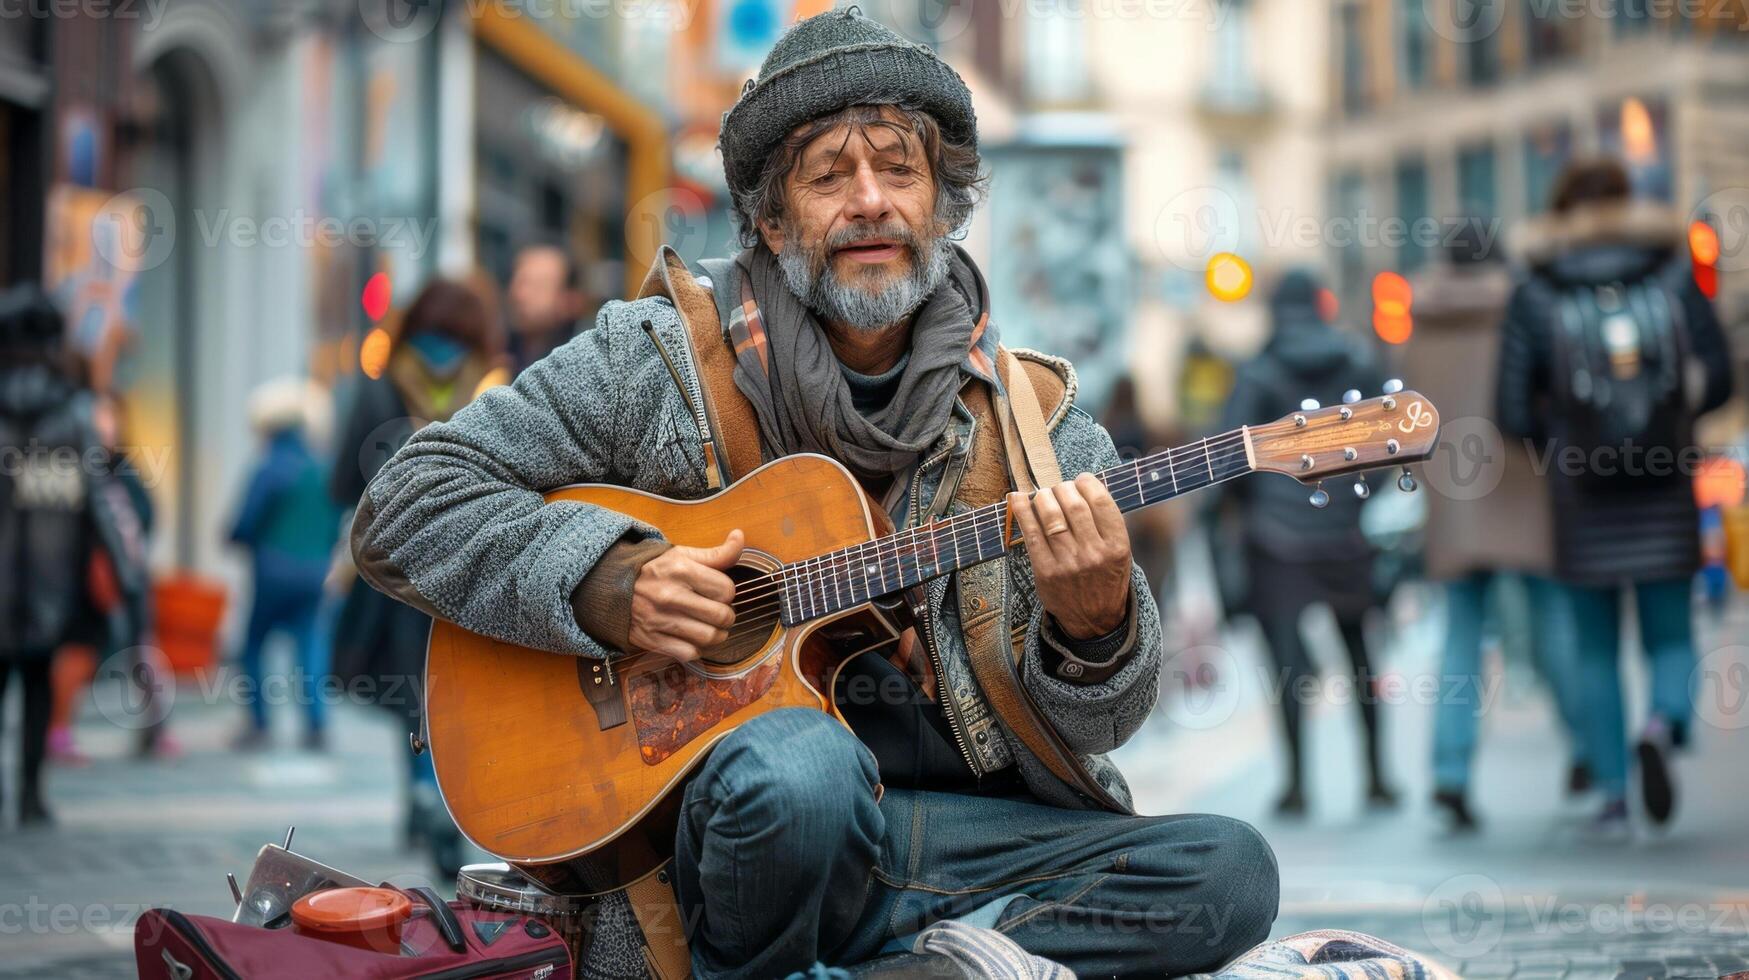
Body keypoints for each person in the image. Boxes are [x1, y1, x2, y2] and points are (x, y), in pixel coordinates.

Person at [349, 11, 1278, 978]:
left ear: (943, 206)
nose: (869, 202)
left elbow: (1100, 727)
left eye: (898, 170)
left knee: (1227, 871)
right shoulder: (658, 362)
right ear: (771, 217)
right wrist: (612, 584)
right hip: (736, 842)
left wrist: (1096, 632)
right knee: (803, 769)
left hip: (958, 841)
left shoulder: (1036, 422)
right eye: (828, 176)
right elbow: (406, 501)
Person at [1496, 157, 1734, 836]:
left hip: (1581, 493)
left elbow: (1510, 410)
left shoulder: (1534, 287)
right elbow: (1718, 377)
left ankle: (1609, 793)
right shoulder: (1671, 269)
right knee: (1668, 633)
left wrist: (1568, 440)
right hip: (1662, 484)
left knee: (1594, 647)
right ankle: (1660, 724)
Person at [1404, 225, 1585, 833]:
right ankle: (1589, 749)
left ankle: (1449, 775)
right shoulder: (1526, 303)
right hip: (1524, 486)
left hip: (1454, 495)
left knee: (1460, 638)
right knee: (1553, 623)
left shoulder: (1421, 314)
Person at [330, 277, 506, 877]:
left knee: (408, 691)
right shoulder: (494, 392)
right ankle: (441, 796)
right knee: (452, 693)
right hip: (472, 572)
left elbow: (342, 483)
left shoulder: (378, 391)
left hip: (394, 578)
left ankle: (422, 792)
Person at [1218, 268, 1397, 818]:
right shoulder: (1360, 362)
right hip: (1346, 534)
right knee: (1361, 656)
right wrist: (1356, 504)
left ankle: (1297, 785)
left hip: (1277, 543)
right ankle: (1377, 779)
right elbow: (1390, 445)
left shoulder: (1258, 371)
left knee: (1289, 667)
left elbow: (1230, 458)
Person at [0, 285, 126, 826]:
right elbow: (97, 500)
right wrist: (123, 568)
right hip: (52, 577)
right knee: (35, 683)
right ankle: (29, 793)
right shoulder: (75, 414)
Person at [227, 378, 342, 751]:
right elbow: (337, 522)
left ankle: (259, 723)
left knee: (253, 645)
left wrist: (239, 539)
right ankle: (316, 724)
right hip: (314, 574)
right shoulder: (323, 468)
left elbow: (245, 523)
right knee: (309, 646)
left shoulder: (269, 468)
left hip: (273, 572)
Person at [506, 241, 586, 375]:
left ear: (569, 299)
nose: (519, 295)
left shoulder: (582, 361)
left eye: (537, 286)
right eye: (518, 282)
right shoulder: (501, 353)